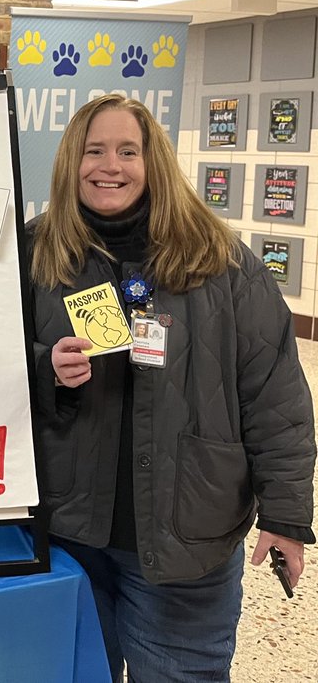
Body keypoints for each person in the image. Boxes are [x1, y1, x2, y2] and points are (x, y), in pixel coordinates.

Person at [27, 94, 315, 681]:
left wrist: (286, 513)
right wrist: (44, 368)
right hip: (68, 533)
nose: (111, 166)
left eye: (128, 151)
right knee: (74, 672)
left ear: (152, 159)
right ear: (68, 164)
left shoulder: (223, 262)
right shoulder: (37, 255)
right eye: (95, 151)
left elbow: (275, 395)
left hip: (190, 536)